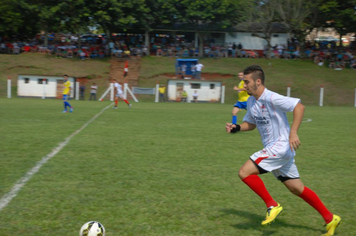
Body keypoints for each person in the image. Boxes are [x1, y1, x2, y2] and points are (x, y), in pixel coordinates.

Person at [225, 65, 341, 236]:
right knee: (296, 188)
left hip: (280, 147)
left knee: (244, 172)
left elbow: (299, 107)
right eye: (243, 82)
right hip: (277, 151)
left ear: (258, 81)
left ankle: (272, 205)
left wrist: (293, 132)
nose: (244, 85)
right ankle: (330, 218)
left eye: (247, 82)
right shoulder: (251, 101)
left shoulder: (271, 97)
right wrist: (236, 128)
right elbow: (250, 124)